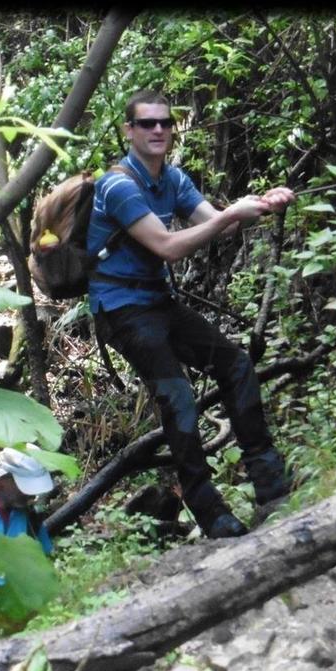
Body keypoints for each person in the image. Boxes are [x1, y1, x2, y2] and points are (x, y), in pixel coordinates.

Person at [86, 89, 295, 539]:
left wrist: (260, 205)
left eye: (165, 122)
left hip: (158, 302)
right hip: (122, 308)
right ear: (129, 131)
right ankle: (210, 512)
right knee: (177, 395)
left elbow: (221, 221)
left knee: (235, 364)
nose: (158, 130)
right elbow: (168, 247)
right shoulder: (118, 185)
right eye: (147, 124)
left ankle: (271, 484)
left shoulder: (174, 179)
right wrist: (228, 217)